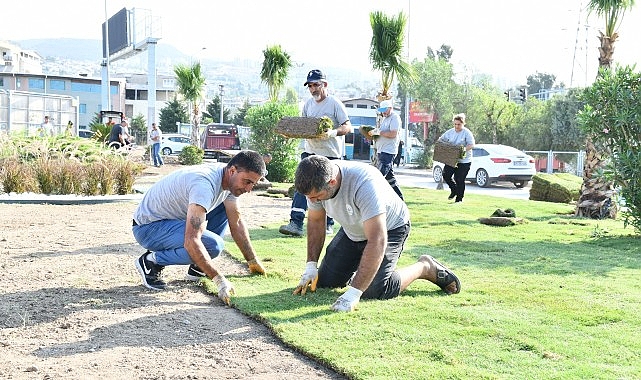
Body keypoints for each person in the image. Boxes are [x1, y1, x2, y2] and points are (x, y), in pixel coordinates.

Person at [291, 155, 461, 312]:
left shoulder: (364, 184)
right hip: (353, 230)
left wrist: (354, 293)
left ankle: (424, 267)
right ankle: (362, 272)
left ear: (332, 182)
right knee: (323, 282)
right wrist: (311, 265)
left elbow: (377, 240)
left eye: (316, 197)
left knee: (373, 290)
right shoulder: (316, 182)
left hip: (390, 229)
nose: (312, 201)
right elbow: (315, 221)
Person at [132, 150, 268, 305]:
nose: (249, 189)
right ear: (232, 171)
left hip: (172, 222)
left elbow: (236, 222)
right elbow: (191, 240)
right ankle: (151, 261)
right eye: (247, 182)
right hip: (148, 228)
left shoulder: (229, 181)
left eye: (253, 184)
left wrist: (252, 260)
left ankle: (198, 265)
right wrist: (219, 280)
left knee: (226, 209)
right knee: (213, 245)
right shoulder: (203, 185)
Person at [279, 69, 352, 237]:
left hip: (330, 155)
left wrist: (332, 133)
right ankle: (295, 223)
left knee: (328, 189)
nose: (313, 89)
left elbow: (348, 126)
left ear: (324, 84)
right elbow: (303, 127)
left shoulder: (334, 103)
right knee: (301, 185)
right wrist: (290, 133)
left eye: (316, 85)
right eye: (310, 86)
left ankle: (328, 224)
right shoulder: (308, 104)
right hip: (310, 153)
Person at [368, 99, 403, 200]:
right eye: (382, 110)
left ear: (390, 108)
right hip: (381, 150)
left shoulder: (394, 118)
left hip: (388, 151)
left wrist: (379, 132)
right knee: (390, 178)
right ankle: (400, 198)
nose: (383, 112)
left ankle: (373, 197)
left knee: (380, 175)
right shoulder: (385, 119)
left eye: (385, 110)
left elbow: (393, 134)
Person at [438, 113, 475, 203]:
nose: (456, 126)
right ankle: (454, 189)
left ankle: (459, 199)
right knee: (446, 175)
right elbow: (440, 140)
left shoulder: (467, 133)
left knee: (459, 179)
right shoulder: (450, 132)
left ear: (463, 123)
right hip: (452, 158)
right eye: (455, 124)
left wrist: (463, 150)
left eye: (459, 124)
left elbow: (472, 145)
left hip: (464, 160)